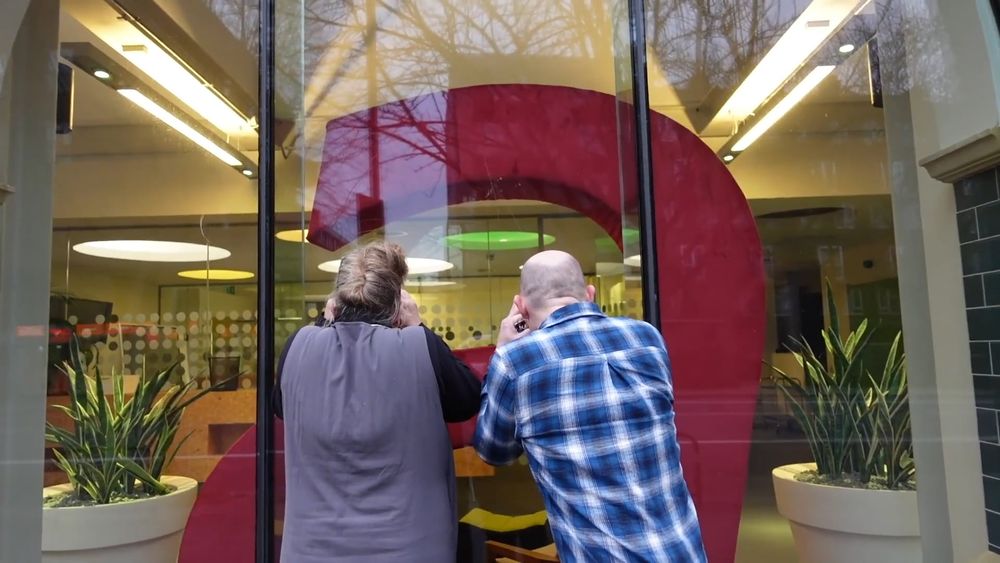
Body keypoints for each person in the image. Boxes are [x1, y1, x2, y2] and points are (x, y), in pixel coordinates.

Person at [473, 250, 707, 562]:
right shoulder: (647, 338)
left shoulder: (516, 362)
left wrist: (502, 350)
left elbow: (493, 451)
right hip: (682, 551)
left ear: (521, 308)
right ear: (589, 294)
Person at [276, 241, 482, 562]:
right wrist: (418, 325)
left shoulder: (299, 345)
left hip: (313, 548)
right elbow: (467, 400)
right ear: (398, 301)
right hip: (412, 548)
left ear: (337, 300)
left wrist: (324, 321)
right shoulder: (419, 346)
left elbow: (282, 405)